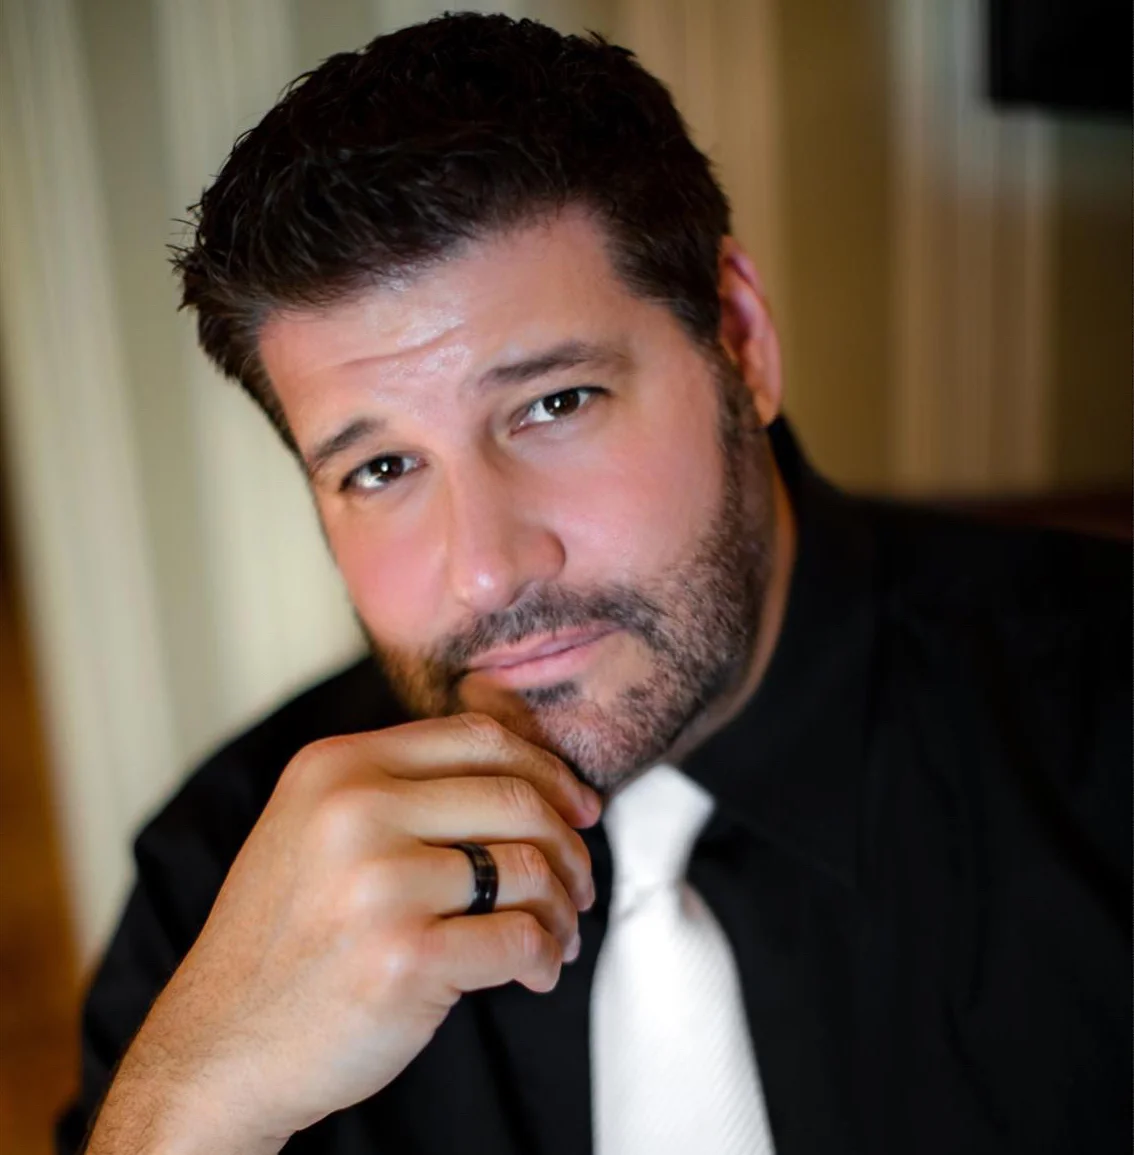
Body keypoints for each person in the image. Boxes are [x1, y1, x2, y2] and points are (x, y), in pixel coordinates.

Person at [59, 13, 1129, 1155]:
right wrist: (193, 1106)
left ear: (741, 340)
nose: (486, 570)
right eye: (380, 468)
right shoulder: (219, 883)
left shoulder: (1107, 724)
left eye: (553, 404)